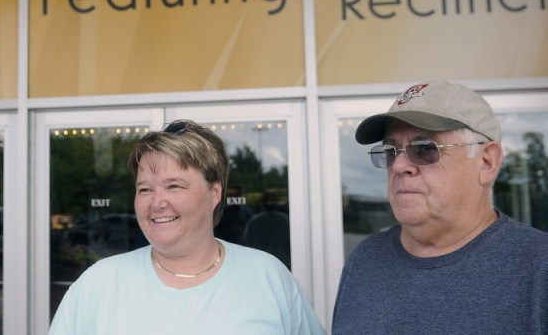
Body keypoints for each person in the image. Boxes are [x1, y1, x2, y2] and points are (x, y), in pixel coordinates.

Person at [49, 119, 325, 334]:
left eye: (174, 186)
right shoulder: (97, 285)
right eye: (145, 190)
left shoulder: (269, 277)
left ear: (214, 193)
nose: (157, 203)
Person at [332, 81, 548, 334]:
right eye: (391, 151)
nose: (400, 165)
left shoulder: (539, 267)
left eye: (424, 149)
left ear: (487, 162)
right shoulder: (365, 260)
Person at [243, 191, 291, 269]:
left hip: (260, 262)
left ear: (262, 203)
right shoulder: (285, 219)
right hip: (283, 262)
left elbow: (247, 242)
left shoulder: (255, 220)